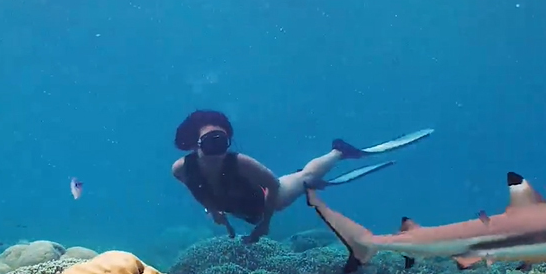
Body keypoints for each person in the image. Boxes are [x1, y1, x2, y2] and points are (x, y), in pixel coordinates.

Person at [171, 109, 432, 243]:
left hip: (269, 198)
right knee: (301, 178)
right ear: (194, 144)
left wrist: (265, 224)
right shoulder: (181, 169)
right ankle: (312, 175)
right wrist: (212, 210)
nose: (217, 149)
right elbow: (197, 188)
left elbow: (273, 186)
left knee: (304, 177)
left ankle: (339, 152)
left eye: (222, 141)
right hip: (236, 206)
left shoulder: (242, 163)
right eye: (210, 142)